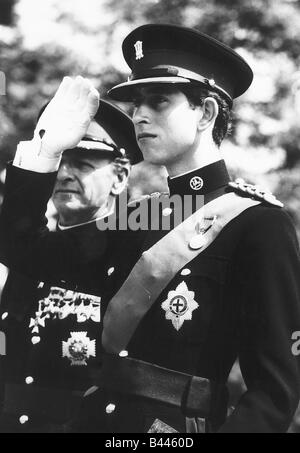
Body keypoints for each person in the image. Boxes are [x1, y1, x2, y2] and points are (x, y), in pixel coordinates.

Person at [0, 25, 300, 434]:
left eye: (158, 101)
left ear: (206, 113)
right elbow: (21, 249)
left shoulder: (258, 223)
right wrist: (44, 150)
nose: (140, 114)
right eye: (138, 102)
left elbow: (274, 393)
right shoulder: (141, 215)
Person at [0, 98, 141, 433]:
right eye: (60, 162)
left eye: (82, 164)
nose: (64, 174)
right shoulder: (26, 256)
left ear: (119, 177)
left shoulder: (129, 255)